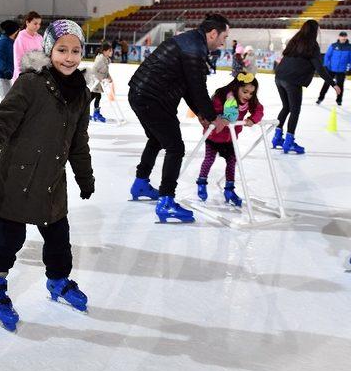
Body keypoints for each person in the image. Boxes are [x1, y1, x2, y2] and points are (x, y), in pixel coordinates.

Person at [0, 20, 94, 332]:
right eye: (62, 50)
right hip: (17, 180)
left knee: (59, 239)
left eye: (76, 51)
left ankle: (58, 281)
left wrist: (84, 177)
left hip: (51, 183)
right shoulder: (31, 83)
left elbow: (79, 141)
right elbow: (0, 123)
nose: (69, 57)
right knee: (11, 238)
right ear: (49, 50)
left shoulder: (81, 94)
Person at [127, 13, 230, 223]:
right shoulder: (194, 48)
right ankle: (166, 201)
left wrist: (202, 113)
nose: (224, 41)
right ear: (213, 33)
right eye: (224, 36)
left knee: (156, 139)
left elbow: (188, 86)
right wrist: (212, 116)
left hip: (140, 93)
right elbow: (197, 87)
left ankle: (141, 183)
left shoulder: (191, 41)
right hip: (153, 98)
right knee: (175, 148)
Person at [272, 19, 340, 154]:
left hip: (279, 77)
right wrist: (334, 84)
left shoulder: (294, 41)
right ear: (314, 31)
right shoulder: (312, 45)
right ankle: (289, 142)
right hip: (292, 81)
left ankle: (277, 138)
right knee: (295, 110)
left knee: (286, 107)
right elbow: (320, 69)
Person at [196, 73, 264, 205]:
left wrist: (252, 119)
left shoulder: (248, 102)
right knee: (209, 160)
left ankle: (229, 189)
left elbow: (259, 110)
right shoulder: (222, 97)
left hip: (229, 138)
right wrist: (220, 118)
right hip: (213, 136)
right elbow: (211, 111)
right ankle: (202, 182)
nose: (247, 96)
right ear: (236, 87)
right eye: (245, 91)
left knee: (232, 162)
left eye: (251, 93)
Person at [317, 31, 351, 106]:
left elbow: (350, 59)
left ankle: (339, 100)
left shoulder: (349, 47)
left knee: (340, 85)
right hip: (331, 69)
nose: (343, 37)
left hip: (341, 70)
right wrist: (327, 65)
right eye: (342, 36)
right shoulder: (333, 45)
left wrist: (348, 67)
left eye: (344, 36)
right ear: (339, 37)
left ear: (346, 37)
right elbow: (327, 56)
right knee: (326, 83)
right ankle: (320, 98)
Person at [12, 11, 42, 82]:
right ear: (27, 23)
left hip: (38, 77)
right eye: (35, 23)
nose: (37, 26)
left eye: (39, 24)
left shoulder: (40, 37)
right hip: (25, 78)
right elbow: (18, 60)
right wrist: (21, 77)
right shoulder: (20, 38)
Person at [0, 20, 18, 99]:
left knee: (9, 98)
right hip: (0, 74)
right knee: (6, 99)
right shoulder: (3, 41)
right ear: (13, 31)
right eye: (18, 30)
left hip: (7, 73)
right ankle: (2, 111)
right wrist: (6, 70)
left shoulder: (11, 41)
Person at [87, 41, 113, 122]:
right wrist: (100, 78)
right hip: (95, 81)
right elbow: (94, 70)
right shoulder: (100, 59)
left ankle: (92, 113)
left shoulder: (106, 59)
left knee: (95, 96)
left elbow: (105, 71)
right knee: (95, 96)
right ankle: (92, 113)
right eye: (110, 51)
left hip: (99, 82)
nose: (111, 52)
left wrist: (109, 77)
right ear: (105, 51)